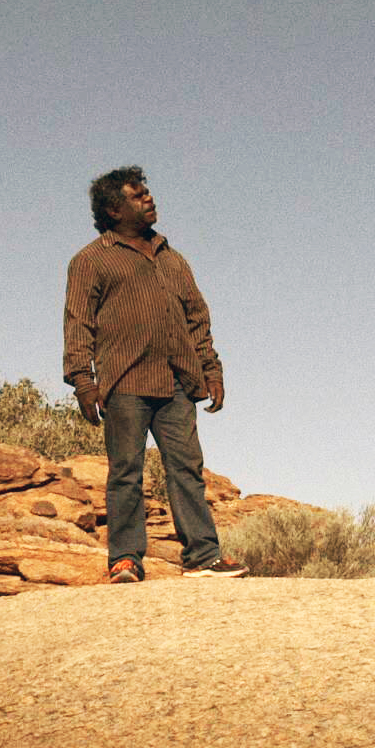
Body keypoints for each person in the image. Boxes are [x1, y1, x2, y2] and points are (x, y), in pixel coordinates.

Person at [63, 166, 247, 583]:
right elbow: (77, 322)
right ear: (114, 210)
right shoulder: (90, 260)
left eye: (147, 192)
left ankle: (203, 556)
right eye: (137, 195)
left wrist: (212, 370)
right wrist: (83, 381)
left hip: (178, 381)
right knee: (126, 471)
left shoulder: (172, 257)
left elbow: (197, 317)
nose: (149, 199)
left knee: (187, 468)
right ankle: (125, 559)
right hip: (124, 382)